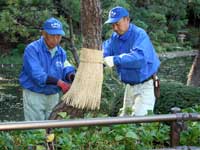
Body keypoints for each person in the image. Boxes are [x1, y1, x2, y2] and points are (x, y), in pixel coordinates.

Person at [103, 6, 160, 116]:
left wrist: (115, 60)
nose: (114, 28)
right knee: (124, 122)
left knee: (139, 122)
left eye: (117, 24)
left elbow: (139, 58)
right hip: (129, 86)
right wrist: (102, 58)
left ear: (127, 20)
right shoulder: (115, 37)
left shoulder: (140, 34)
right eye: (112, 25)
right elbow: (106, 49)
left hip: (145, 85)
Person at [19, 17, 76, 121]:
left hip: (53, 95)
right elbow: (37, 75)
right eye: (52, 36)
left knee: (51, 128)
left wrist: (71, 75)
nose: (56, 39)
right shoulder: (32, 49)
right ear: (44, 34)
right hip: (35, 95)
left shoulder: (61, 52)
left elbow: (66, 67)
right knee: (35, 129)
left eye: (58, 36)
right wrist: (60, 83)